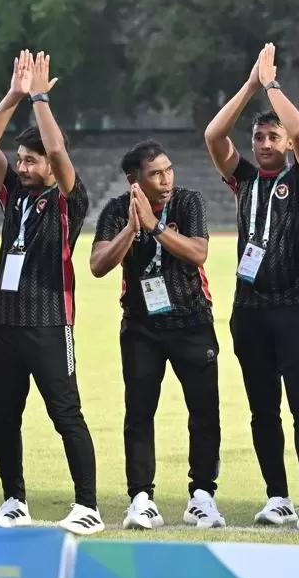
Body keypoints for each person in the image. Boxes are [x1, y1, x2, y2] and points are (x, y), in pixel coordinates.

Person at [0, 50, 101, 536]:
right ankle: (14, 500)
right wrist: (13, 95)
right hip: (4, 321)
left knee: (65, 412)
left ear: (53, 165)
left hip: (50, 323)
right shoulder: (14, 196)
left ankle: (87, 505)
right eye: (22, 159)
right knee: (4, 416)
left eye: (32, 160)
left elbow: (61, 154)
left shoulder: (70, 200)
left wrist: (41, 98)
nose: (23, 167)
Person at [204, 43, 299, 533]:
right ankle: (277, 496)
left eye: (272, 136)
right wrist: (250, 87)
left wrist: (273, 87)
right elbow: (215, 135)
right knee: (262, 410)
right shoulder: (246, 181)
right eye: (258, 137)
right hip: (249, 310)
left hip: (296, 307)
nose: (264, 143)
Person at [90, 142, 221, 530]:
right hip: (141, 327)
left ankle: (202, 496)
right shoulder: (116, 211)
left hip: (192, 322)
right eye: (155, 173)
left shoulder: (188, 202)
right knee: (140, 413)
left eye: (168, 170)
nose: (165, 179)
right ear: (134, 180)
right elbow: (98, 264)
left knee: (204, 412)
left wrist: (155, 227)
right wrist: (132, 228)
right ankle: (141, 498)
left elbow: (198, 253)